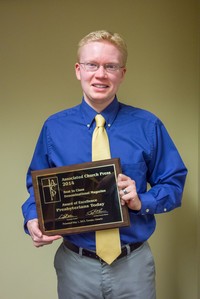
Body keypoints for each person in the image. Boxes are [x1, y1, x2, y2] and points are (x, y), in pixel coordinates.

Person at [22, 30, 187, 299]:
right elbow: (36, 187)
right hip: (75, 265)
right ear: (78, 70)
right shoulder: (54, 128)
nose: (101, 74)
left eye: (110, 66)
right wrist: (31, 218)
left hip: (133, 265)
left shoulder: (148, 126)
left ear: (122, 73)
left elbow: (173, 182)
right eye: (92, 65)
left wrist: (141, 201)